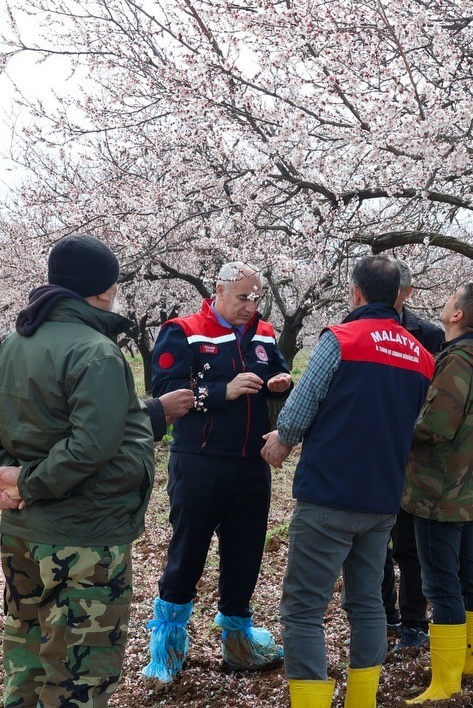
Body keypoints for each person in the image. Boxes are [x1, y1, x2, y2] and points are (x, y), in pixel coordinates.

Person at [0, 234, 194, 708]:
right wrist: (25, 483)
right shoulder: (97, 352)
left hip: (24, 533)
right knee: (79, 677)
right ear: (105, 289)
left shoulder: (14, 344)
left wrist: (4, 478)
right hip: (84, 536)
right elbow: (92, 446)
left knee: (27, 660)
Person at [260, 255, 435, 708]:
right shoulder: (421, 357)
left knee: (303, 608)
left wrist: (282, 440)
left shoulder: (341, 338)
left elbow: (302, 405)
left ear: (356, 292)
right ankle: (362, 700)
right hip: (382, 499)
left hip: (329, 493)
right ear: (399, 295)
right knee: (367, 603)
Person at [141, 261, 294, 681]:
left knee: (245, 555)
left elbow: (277, 369)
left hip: (252, 463)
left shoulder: (264, 333)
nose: (250, 306)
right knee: (188, 553)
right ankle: (167, 649)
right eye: (243, 297)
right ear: (219, 290)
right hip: (200, 461)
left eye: (256, 298)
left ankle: (239, 643)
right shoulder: (184, 331)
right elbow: (164, 392)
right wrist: (221, 391)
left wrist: (281, 383)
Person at [403, 282, 473, 703]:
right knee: (468, 573)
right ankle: (469, 667)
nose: (445, 302)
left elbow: (436, 427)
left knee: (441, 584)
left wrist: (394, 430)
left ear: (458, 314)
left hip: (441, 490)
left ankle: (445, 685)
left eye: (451, 298)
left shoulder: (456, 362)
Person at [382, 259, 444, 653]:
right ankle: (383, 614)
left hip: (411, 455)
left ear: (407, 293)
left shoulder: (429, 335)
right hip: (373, 454)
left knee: (409, 546)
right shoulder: (355, 331)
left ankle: (414, 623)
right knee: (372, 544)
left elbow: (437, 397)